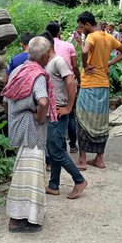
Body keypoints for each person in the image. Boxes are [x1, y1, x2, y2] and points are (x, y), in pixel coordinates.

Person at [2, 37, 57, 232]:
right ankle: (24, 218)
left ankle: (18, 216)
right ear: (43, 56)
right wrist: (40, 118)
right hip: (32, 129)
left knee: (21, 171)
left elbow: (6, 99)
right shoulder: (38, 75)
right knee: (31, 174)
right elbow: (43, 102)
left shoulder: (18, 70)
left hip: (18, 126)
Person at [76, 11, 122, 169]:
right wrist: (109, 64)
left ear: (87, 25)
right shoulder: (108, 36)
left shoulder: (92, 36)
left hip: (90, 83)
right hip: (103, 84)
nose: (81, 29)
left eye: (81, 26)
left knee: (82, 119)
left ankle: (82, 160)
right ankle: (99, 158)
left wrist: (85, 66)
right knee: (100, 121)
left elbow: (84, 51)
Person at [39, 32, 87, 199]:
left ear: (47, 47)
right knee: (55, 149)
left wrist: (68, 107)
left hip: (58, 112)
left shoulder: (58, 61)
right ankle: (54, 184)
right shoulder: (49, 62)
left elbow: (71, 82)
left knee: (56, 150)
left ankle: (79, 180)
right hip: (54, 111)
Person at [46, 22, 80, 153]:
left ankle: (58, 150)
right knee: (70, 115)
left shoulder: (45, 48)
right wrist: (80, 80)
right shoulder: (68, 45)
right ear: (59, 33)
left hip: (52, 87)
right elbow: (75, 66)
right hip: (67, 84)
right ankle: (71, 145)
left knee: (53, 119)